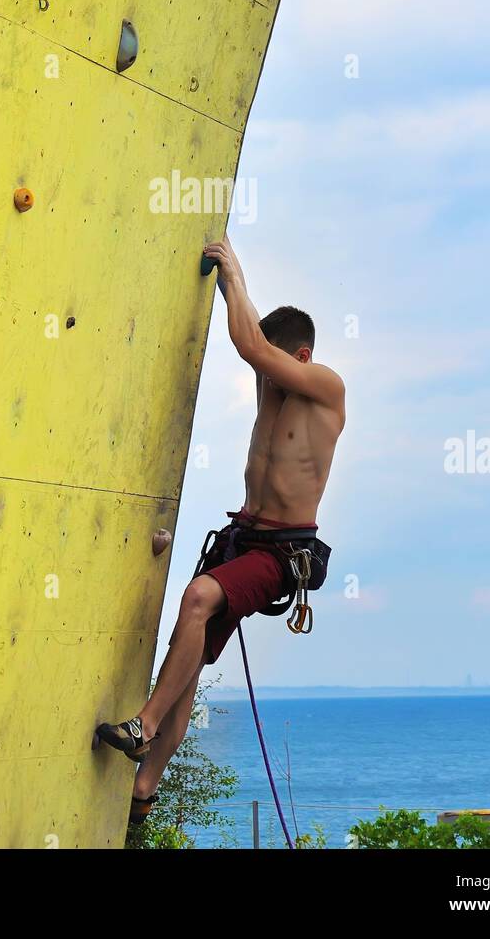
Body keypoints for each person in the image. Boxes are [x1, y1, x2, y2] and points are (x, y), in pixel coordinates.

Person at [95, 235, 346, 823]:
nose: (267, 382)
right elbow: (255, 340)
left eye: (279, 367)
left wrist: (233, 269)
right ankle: (144, 789)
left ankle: (144, 727)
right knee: (186, 665)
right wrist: (234, 284)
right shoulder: (273, 388)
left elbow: (252, 345)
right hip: (244, 537)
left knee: (199, 598)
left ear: (302, 359)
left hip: (285, 550)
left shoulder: (326, 389)